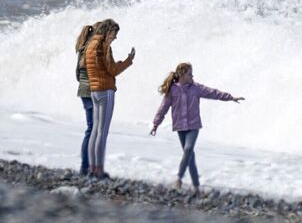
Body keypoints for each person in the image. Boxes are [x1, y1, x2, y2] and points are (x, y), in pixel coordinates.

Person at [151, 63, 243, 193]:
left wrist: (230, 97)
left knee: (188, 149)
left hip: (193, 125)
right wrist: (156, 124)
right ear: (181, 75)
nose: (192, 76)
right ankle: (196, 186)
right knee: (190, 156)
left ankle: (178, 179)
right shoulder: (172, 90)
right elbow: (163, 108)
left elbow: (213, 93)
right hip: (180, 127)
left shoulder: (196, 88)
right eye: (189, 73)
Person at [84, 19, 134, 179]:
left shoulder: (90, 45)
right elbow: (112, 70)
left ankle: (92, 168)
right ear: (108, 31)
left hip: (94, 91)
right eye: (114, 34)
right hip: (106, 91)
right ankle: (98, 170)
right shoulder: (104, 46)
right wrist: (128, 61)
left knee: (95, 132)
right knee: (102, 132)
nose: (115, 38)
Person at [74, 23, 97, 175]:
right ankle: (86, 167)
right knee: (92, 130)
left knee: (91, 129)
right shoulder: (92, 50)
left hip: (84, 91)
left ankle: (87, 166)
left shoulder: (83, 49)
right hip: (92, 92)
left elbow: (78, 75)